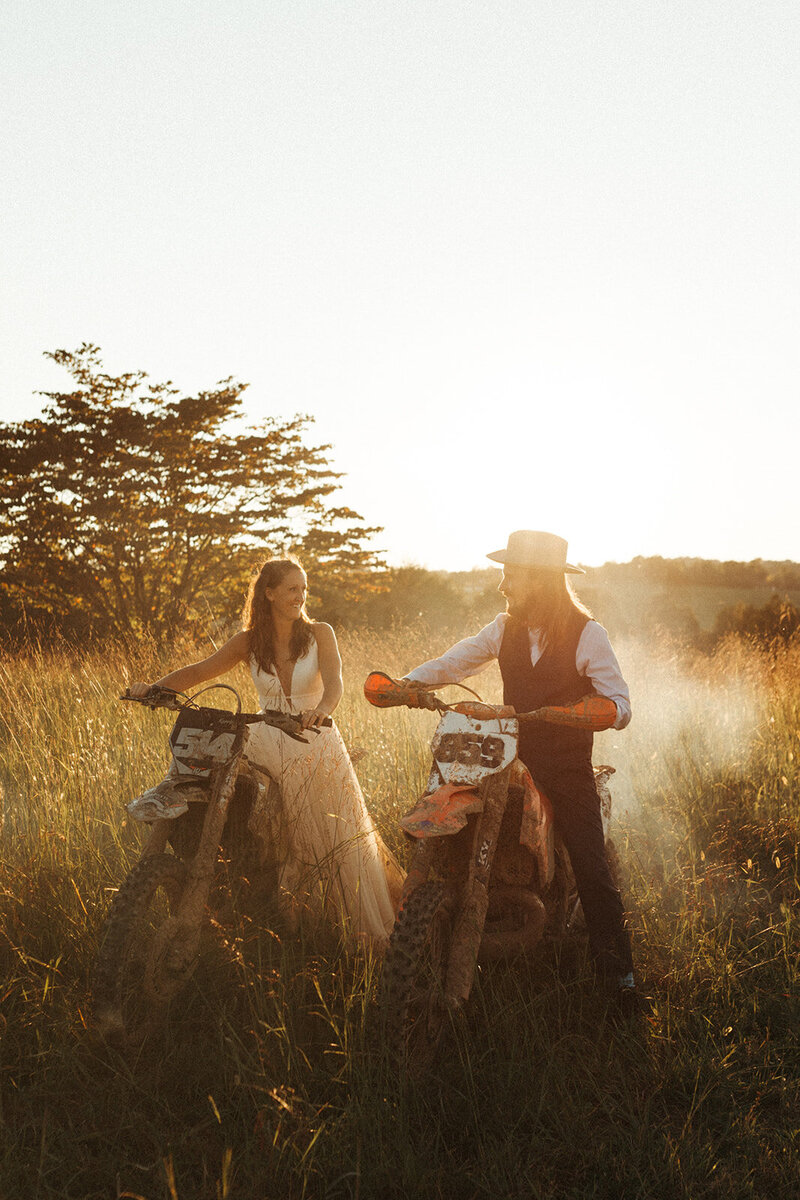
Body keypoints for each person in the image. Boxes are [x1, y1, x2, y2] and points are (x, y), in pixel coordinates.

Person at [403, 530, 638, 1005]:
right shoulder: (503, 626)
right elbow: (458, 661)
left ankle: (620, 978)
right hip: (507, 758)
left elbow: (621, 703)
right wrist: (407, 683)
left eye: (511, 573)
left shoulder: (588, 634)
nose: (503, 582)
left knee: (592, 866)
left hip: (565, 767)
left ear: (540, 579)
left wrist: (592, 712)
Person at [129, 557, 403, 946]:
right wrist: (153, 688)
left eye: (304, 589)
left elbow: (336, 683)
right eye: (292, 588)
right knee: (260, 823)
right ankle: (265, 909)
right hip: (266, 736)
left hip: (314, 737)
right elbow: (200, 671)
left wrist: (321, 711)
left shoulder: (320, 632)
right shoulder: (248, 640)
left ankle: (340, 928)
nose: (300, 596)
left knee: (330, 833)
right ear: (269, 593)